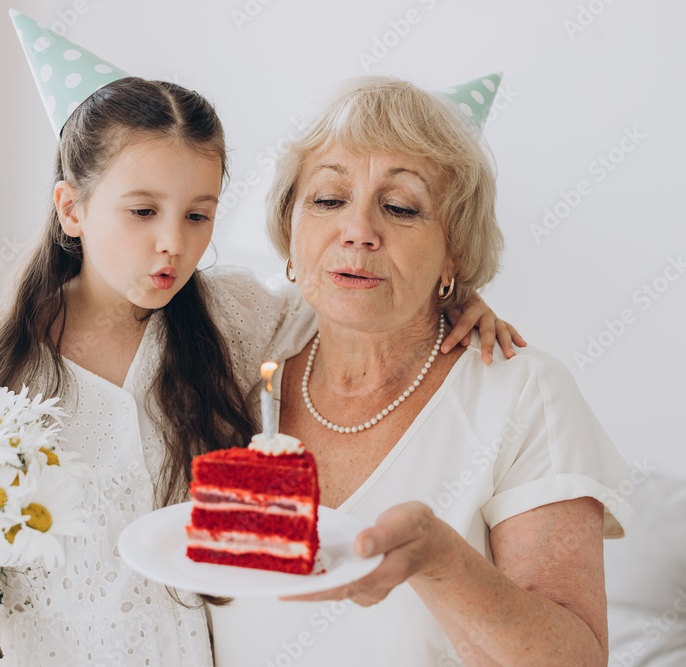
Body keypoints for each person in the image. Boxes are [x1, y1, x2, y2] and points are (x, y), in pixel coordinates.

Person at [0, 15, 521, 667]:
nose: (173, 241)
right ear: (72, 208)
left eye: (198, 214)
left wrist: (449, 296)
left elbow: (345, 295)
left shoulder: (231, 316)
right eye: (143, 212)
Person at [206, 75, 633, 666]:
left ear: (453, 251)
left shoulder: (523, 392)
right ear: (289, 231)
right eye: (328, 200)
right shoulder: (237, 349)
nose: (358, 230)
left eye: (401, 207)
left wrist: (440, 561)